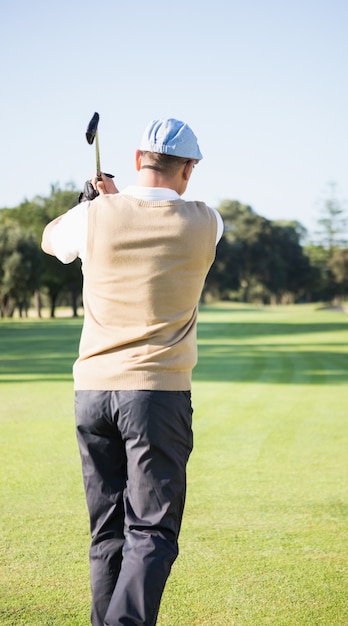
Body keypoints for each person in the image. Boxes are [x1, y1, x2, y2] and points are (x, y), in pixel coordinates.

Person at [41, 118, 223, 626]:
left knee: (108, 533)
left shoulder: (96, 215)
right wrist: (112, 203)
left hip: (93, 394)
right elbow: (155, 213)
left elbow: (53, 242)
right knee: (153, 532)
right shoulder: (207, 221)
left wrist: (93, 205)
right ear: (189, 169)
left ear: (139, 159)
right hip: (157, 396)